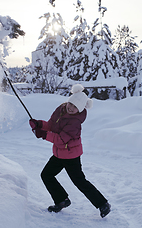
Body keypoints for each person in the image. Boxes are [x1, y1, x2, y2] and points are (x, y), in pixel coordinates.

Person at [29, 84, 111, 218]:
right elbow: (51, 125)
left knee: (79, 181)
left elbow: (61, 139)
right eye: (71, 103)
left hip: (71, 155)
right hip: (59, 153)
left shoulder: (75, 122)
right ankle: (61, 200)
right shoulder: (61, 109)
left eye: (75, 107)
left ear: (80, 109)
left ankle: (103, 204)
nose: (71, 108)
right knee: (46, 175)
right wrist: (39, 124)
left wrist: (43, 135)